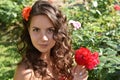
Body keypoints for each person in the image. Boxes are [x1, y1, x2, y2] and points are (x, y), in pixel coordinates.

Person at [13, 0, 88, 80]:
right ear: (28, 30)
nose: (44, 38)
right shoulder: (26, 73)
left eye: (50, 30)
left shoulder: (60, 60)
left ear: (58, 31)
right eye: (36, 30)